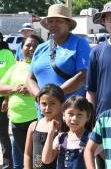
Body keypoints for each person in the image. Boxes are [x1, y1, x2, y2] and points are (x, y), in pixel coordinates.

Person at [27, 4, 90, 100]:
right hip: (43, 111)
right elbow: (30, 78)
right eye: (50, 21)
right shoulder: (40, 48)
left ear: (68, 24)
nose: (53, 24)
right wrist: (40, 97)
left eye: (59, 21)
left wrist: (53, 96)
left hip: (69, 110)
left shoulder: (79, 43)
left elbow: (82, 76)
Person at [0, 35, 43, 168]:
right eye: (28, 45)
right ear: (21, 48)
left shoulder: (43, 66)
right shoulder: (16, 67)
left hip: (36, 120)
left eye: (35, 46)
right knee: (22, 158)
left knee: (37, 159)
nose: (31, 48)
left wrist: (31, 88)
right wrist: (14, 88)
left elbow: (51, 89)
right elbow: (1, 87)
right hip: (16, 121)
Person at [42, 95, 92, 169]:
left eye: (80, 114)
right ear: (64, 116)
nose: (74, 118)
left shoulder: (92, 138)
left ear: (87, 117)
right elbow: (46, 160)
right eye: (70, 114)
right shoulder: (60, 138)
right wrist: (50, 133)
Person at [24, 84, 65, 169]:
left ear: (62, 104)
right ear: (38, 103)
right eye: (43, 104)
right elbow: (28, 154)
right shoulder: (33, 126)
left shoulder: (65, 127)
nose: (47, 108)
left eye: (52, 103)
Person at [0, 31, 16, 169]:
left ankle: (7, 164)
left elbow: (12, 76)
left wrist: (7, 98)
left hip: (2, 99)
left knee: (3, 133)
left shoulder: (7, 54)